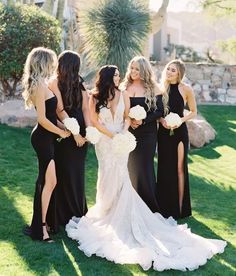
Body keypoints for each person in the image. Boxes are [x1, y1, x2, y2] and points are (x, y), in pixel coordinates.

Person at [66, 64, 226, 272]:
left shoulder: (125, 93)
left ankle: (130, 209)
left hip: (124, 138)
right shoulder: (96, 96)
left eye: (121, 73)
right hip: (105, 143)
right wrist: (113, 135)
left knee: (124, 175)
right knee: (105, 175)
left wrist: (124, 131)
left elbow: (126, 118)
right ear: (107, 77)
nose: (121, 75)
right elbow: (94, 121)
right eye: (116, 74)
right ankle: (106, 208)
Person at [22, 47, 70, 242]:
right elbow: (42, 119)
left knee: (47, 182)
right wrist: (60, 132)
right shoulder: (39, 86)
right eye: (51, 61)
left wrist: (66, 128)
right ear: (43, 62)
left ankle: (42, 224)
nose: (54, 65)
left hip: (48, 137)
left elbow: (51, 115)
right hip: (43, 138)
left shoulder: (43, 84)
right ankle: (41, 229)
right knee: (48, 182)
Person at [48, 50, 90, 226]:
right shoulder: (55, 82)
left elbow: (86, 109)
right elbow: (59, 109)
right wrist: (76, 133)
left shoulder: (80, 84)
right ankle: (64, 215)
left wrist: (88, 132)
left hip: (77, 131)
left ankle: (76, 213)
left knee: (75, 173)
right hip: (67, 131)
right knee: (65, 172)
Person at [122, 56, 164, 212]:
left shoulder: (154, 89)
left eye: (137, 69)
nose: (133, 72)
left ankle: (149, 206)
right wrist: (129, 119)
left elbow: (159, 111)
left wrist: (143, 120)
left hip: (147, 134)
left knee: (144, 167)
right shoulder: (124, 87)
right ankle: (130, 205)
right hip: (128, 132)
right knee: (130, 167)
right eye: (132, 68)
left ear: (144, 70)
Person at [157, 59, 196, 220]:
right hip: (164, 133)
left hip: (180, 133)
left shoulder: (186, 89)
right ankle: (164, 207)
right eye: (168, 69)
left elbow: (193, 111)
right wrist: (162, 121)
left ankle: (181, 208)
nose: (169, 72)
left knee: (180, 168)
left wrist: (180, 120)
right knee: (164, 168)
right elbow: (157, 111)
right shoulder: (160, 89)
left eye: (173, 70)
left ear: (179, 73)